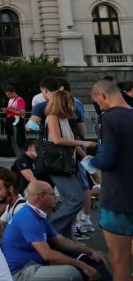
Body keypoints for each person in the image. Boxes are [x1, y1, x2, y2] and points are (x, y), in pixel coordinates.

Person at [2, 179, 112, 281]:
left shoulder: (36, 213)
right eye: (53, 194)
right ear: (42, 196)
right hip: (23, 273)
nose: (56, 198)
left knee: (91, 259)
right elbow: (47, 254)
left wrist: (91, 251)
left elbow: (61, 240)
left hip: (34, 264)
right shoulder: (28, 217)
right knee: (73, 273)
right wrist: (83, 266)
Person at [89, 79, 133, 281]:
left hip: (117, 199)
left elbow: (106, 159)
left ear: (102, 96)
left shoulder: (109, 119)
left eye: (98, 102)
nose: (100, 107)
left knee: (120, 264)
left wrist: (91, 161)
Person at [43, 90, 94, 239]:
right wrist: (82, 142)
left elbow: (71, 142)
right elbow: (58, 140)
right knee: (76, 199)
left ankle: (68, 241)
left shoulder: (63, 119)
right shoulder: (52, 117)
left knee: (69, 201)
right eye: (70, 102)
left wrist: (85, 158)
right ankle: (51, 230)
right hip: (58, 165)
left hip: (67, 164)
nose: (73, 106)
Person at [4, 86, 26, 157]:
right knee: (13, 141)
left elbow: (22, 112)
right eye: (7, 95)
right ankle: (18, 158)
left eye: (9, 94)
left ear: (13, 92)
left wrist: (10, 110)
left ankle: (22, 158)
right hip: (10, 122)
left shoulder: (19, 99)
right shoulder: (10, 100)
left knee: (19, 141)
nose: (8, 96)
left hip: (17, 122)